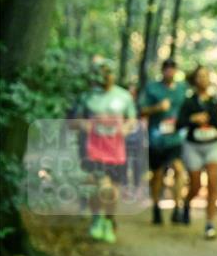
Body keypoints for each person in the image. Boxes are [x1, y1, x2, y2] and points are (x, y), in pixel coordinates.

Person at [78, 58, 137, 244]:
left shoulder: (124, 96)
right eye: (102, 72)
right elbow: (76, 118)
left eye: (109, 72)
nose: (106, 76)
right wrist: (85, 125)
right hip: (95, 150)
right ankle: (97, 219)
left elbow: (132, 119)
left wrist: (125, 128)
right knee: (101, 186)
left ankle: (108, 221)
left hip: (117, 151)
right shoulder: (88, 96)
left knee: (113, 192)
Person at [177, 65, 217, 240]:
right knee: (196, 185)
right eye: (200, 76)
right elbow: (179, 123)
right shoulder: (188, 101)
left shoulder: (214, 100)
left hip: (212, 144)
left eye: (206, 76)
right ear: (194, 80)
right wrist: (192, 119)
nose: (203, 79)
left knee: (213, 182)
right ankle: (186, 203)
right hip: (193, 146)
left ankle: (210, 223)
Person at [139, 58, 188, 225]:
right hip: (156, 139)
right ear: (162, 71)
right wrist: (157, 108)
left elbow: (186, 109)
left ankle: (177, 208)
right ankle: (156, 208)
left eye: (173, 68)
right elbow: (141, 110)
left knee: (179, 170)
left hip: (175, 138)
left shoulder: (181, 89)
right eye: (167, 68)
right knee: (158, 174)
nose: (170, 72)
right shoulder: (152, 88)